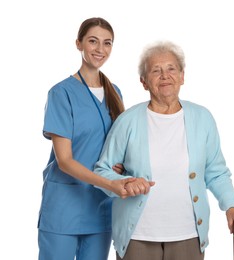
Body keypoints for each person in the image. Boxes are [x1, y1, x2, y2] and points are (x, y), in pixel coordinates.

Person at [94, 41, 234, 260]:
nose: (164, 76)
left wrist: (232, 205)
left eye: (171, 69)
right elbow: (102, 171)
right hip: (138, 235)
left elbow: (216, 171)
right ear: (144, 82)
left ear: (182, 76)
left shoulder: (203, 118)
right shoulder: (127, 121)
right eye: (155, 71)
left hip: (189, 234)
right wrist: (124, 183)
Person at [37, 17, 139, 260]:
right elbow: (65, 160)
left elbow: (117, 147)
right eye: (93, 41)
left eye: (107, 43)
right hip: (64, 207)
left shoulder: (116, 92)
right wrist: (109, 183)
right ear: (78, 44)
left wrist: (120, 167)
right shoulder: (61, 93)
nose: (100, 49)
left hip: (100, 207)